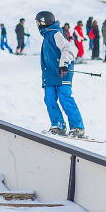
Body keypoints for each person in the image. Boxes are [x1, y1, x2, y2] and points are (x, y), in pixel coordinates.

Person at [36, 10, 85, 138]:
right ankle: (58, 125)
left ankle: (77, 127)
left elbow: (68, 49)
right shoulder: (47, 36)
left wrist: (64, 64)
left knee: (65, 99)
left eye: (38, 22)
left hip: (62, 73)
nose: (37, 26)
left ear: (44, 22)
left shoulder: (55, 34)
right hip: (51, 76)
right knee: (49, 99)